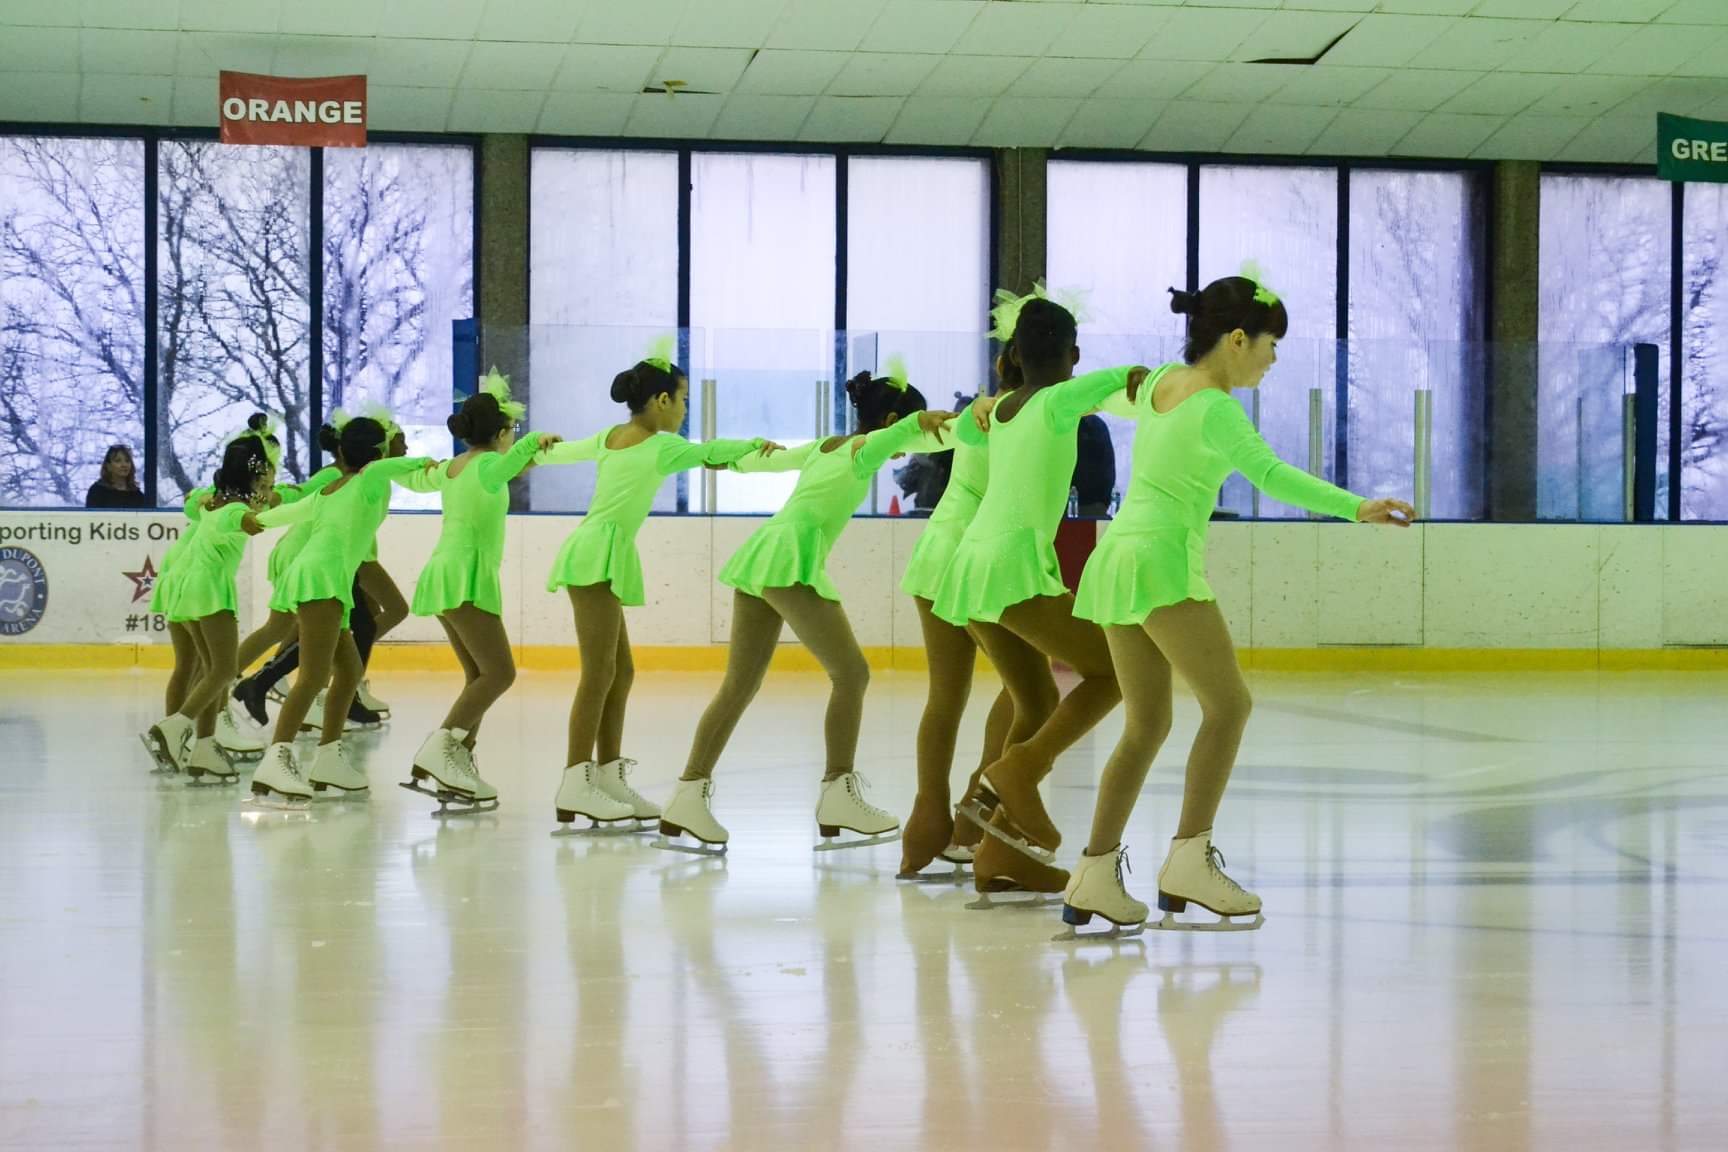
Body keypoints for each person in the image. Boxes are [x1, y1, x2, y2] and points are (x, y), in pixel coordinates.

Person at [1059, 275, 1414, 936]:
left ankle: (1095, 873)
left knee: (1146, 725)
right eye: (1270, 345)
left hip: (1116, 561)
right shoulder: (1218, 408)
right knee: (1230, 706)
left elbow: (1096, 389)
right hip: (1161, 563)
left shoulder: (1163, 381)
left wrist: (1009, 403)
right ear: (1237, 339)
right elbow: (1271, 475)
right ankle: (1188, 860)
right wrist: (1356, 506)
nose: (1272, 360)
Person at [656, 371, 955, 854]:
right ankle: (837, 792)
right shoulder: (865, 449)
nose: (911, 446)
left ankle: (687, 795)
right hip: (788, 558)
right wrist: (922, 423)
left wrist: (728, 459)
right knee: (852, 674)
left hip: (766, 552)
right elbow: (892, 436)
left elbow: (767, 459)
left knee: (740, 685)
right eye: (911, 434)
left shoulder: (825, 446)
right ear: (894, 421)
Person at [931, 290, 1146, 904]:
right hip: (1010, 567)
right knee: (1110, 674)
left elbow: (1091, 388)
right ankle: (1017, 772)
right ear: (1072, 353)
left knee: (1036, 697)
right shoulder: (1057, 402)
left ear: (1015, 355)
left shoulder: (998, 411)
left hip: (971, 569)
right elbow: (1116, 385)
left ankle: (1001, 852)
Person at [537, 352, 780, 831]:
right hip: (595, 555)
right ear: (661, 399)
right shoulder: (659, 445)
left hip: (598, 551)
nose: (684, 409)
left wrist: (541, 445)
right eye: (683, 400)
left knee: (620, 672)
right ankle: (573, 782)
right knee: (598, 673)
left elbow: (562, 452)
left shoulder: (612, 437)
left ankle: (606, 776)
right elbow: (711, 451)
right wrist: (755, 445)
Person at [897, 355, 1057, 884]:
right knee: (1031, 692)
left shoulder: (976, 414)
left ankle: (930, 821)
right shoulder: (1022, 416)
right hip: (976, 556)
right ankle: (979, 811)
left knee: (948, 696)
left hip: (937, 549)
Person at [243, 417, 434, 804]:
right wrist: (441, 467)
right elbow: (412, 465)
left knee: (348, 670)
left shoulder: (332, 488)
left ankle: (329, 757)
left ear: (342, 452)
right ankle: (276, 761)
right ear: (378, 452)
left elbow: (283, 514)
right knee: (313, 678)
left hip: (326, 580)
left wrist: (253, 519)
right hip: (322, 581)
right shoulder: (371, 479)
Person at [406, 374, 558, 804]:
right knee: (500, 673)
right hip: (465, 576)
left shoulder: (456, 467)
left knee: (478, 675)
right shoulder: (491, 465)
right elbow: (510, 463)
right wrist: (539, 441)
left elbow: (508, 467)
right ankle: (442, 749)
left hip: (444, 570)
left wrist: (529, 452)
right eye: (512, 431)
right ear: (500, 433)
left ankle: (456, 762)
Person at [140, 417, 281, 781]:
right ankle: (176, 729)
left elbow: (194, 502)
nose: (269, 485)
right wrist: (314, 505)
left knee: (205, 668)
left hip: (186, 585)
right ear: (253, 476)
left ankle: (202, 747)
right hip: (209, 589)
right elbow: (259, 520)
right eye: (266, 478)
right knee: (222, 668)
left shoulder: (213, 501)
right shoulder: (237, 511)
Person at [86, 444, 150, 509]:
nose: (124, 465)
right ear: (108, 466)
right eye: (118, 461)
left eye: (127, 461)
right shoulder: (97, 492)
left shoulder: (137, 495)